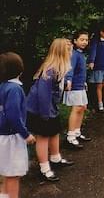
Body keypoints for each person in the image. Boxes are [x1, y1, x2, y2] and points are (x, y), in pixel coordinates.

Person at [26, 39, 74, 182]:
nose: (71, 53)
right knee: (43, 137)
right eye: (69, 51)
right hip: (41, 109)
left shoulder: (60, 67)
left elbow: (56, 87)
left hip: (50, 107)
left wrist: (65, 84)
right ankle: (44, 169)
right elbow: (43, 94)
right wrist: (45, 114)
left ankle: (55, 158)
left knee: (54, 132)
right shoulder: (50, 69)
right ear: (61, 52)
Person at [0, 52, 35, 198]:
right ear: (20, 69)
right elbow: (13, 116)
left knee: (6, 173)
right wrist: (26, 134)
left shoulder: (2, 86)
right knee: (13, 175)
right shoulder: (15, 89)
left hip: (2, 136)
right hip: (12, 137)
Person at [63, 31, 91, 150]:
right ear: (75, 41)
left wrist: (84, 82)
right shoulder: (73, 54)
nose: (84, 42)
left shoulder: (80, 54)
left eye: (86, 40)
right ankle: (70, 137)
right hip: (74, 86)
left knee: (83, 107)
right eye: (82, 39)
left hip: (80, 85)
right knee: (76, 108)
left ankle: (77, 132)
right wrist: (68, 80)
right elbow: (70, 68)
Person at [87, 24, 104, 113]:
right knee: (99, 85)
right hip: (98, 67)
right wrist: (91, 61)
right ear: (101, 32)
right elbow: (93, 51)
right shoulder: (96, 42)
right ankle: (100, 104)